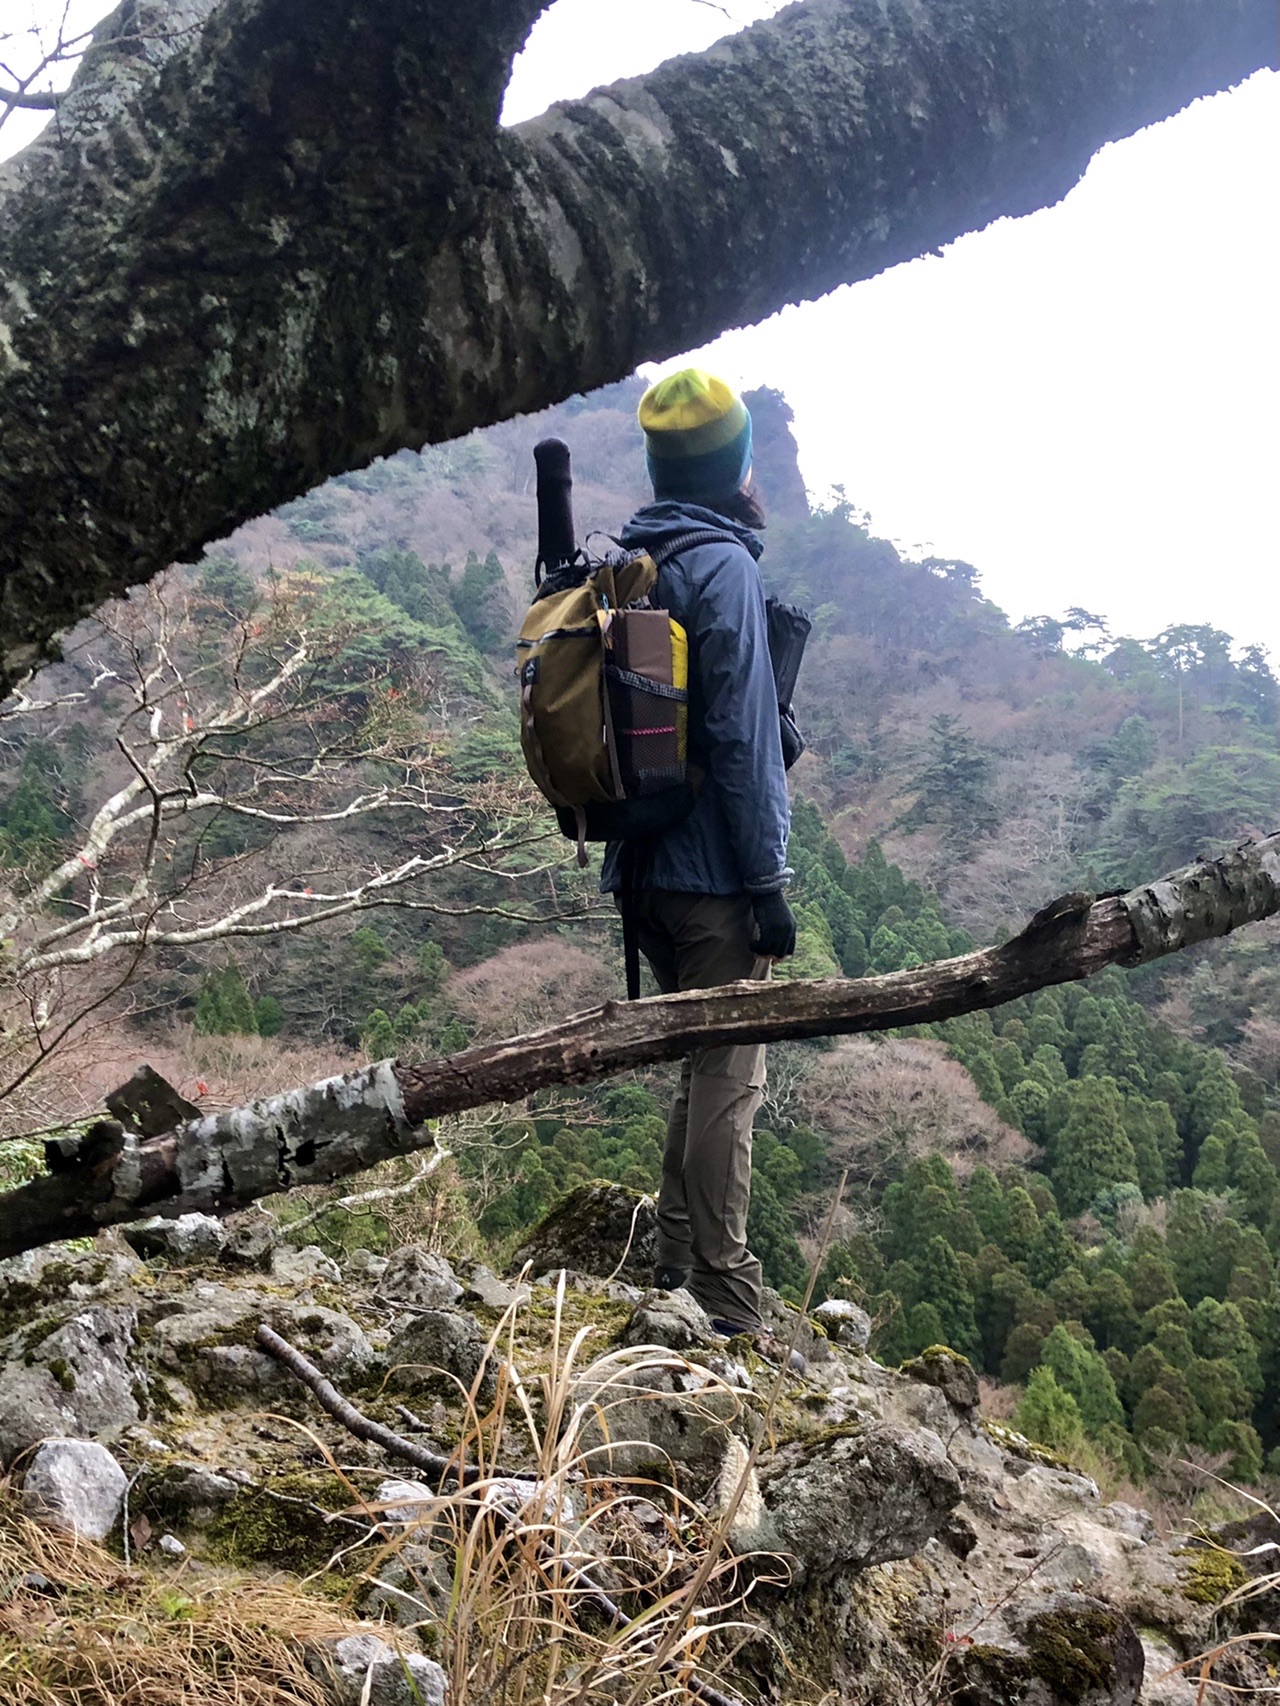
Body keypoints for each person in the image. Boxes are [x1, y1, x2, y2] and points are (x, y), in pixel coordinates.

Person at [601, 368, 800, 1366]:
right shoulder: (720, 565)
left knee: (699, 1067)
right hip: (713, 875)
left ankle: (673, 1267)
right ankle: (725, 1296)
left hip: (640, 869)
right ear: (736, 466)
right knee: (730, 1079)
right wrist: (767, 881)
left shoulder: (631, 557)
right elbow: (740, 742)